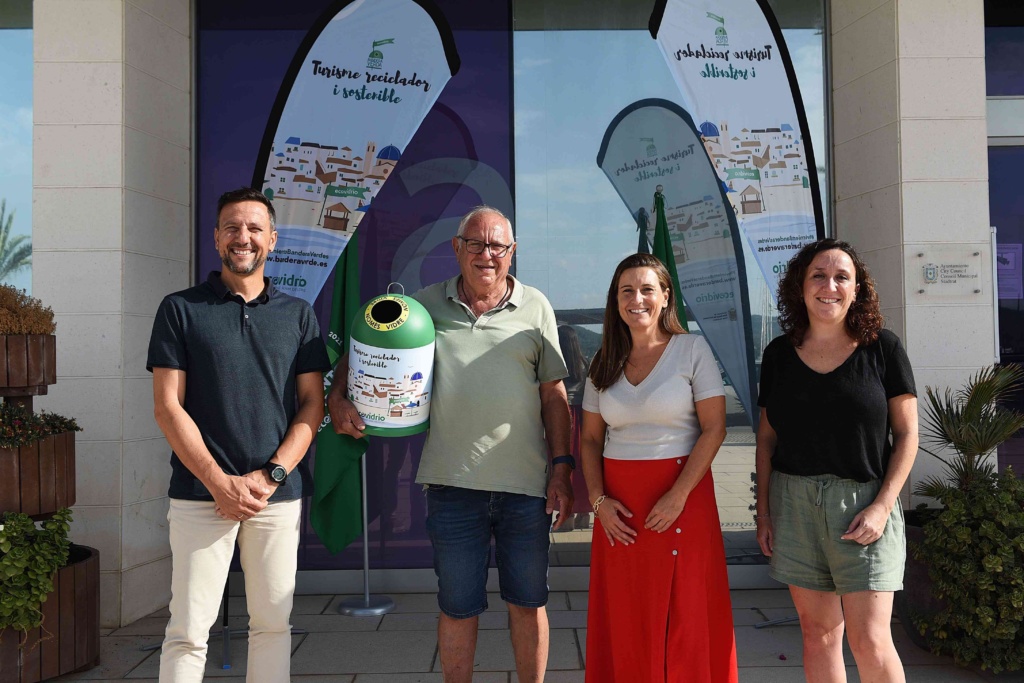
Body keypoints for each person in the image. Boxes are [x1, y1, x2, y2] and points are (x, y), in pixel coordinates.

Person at [328, 205, 573, 683]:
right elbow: (367, 350)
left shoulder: (537, 306)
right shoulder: (422, 306)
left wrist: (561, 469)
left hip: (526, 489)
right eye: (476, 244)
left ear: (512, 252)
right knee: (458, 609)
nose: (488, 255)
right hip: (451, 488)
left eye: (498, 246)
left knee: (529, 604)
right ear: (457, 249)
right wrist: (339, 396)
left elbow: (553, 394)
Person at [148, 187, 330, 682]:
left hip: (277, 495)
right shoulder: (180, 309)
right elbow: (168, 407)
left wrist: (270, 476)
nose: (242, 237)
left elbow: (312, 405)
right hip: (199, 495)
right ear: (216, 238)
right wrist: (217, 482)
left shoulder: (298, 315)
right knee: (188, 630)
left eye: (254, 228)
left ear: (272, 240)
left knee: (272, 624)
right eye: (232, 227)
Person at [755, 238, 918, 683]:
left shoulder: (882, 349)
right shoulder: (778, 355)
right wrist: (765, 512)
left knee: (870, 639)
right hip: (794, 504)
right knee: (819, 633)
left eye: (842, 277)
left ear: (857, 288)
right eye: (818, 276)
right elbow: (767, 438)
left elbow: (906, 436)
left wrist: (883, 506)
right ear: (800, 287)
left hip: (864, 504)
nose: (830, 285)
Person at [580, 253, 738, 683]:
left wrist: (678, 494)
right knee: (627, 614)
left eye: (647, 289)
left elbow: (714, 429)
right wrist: (598, 502)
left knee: (686, 615)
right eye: (626, 290)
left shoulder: (693, 349)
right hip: (619, 510)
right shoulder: (601, 362)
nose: (637, 299)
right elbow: (591, 439)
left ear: (666, 296)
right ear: (616, 301)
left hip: (682, 499)